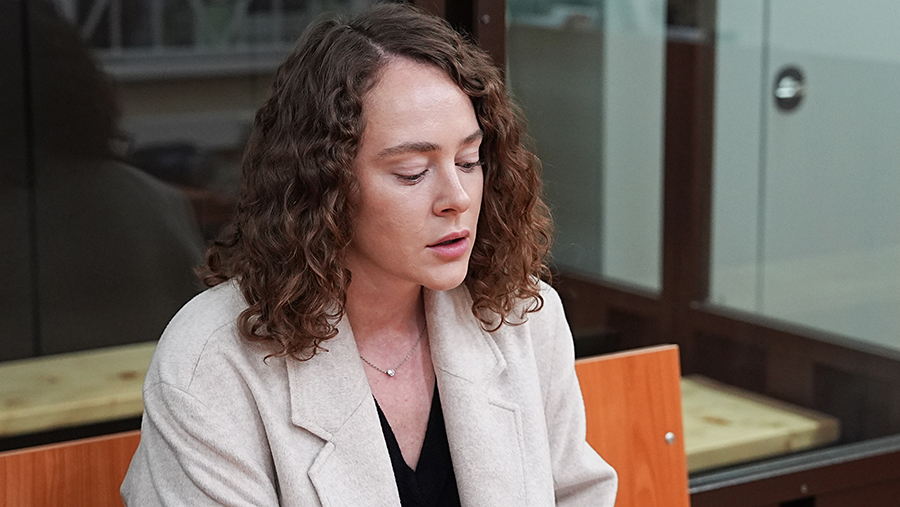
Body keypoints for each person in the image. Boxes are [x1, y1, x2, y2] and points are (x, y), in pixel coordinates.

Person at [121, 3, 617, 505]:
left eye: (469, 161)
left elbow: (578, 493)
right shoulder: (211, 362)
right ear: (324, 184)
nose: (458, 198)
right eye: (412, 173)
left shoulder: (521, 315)